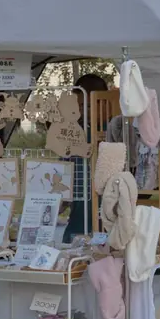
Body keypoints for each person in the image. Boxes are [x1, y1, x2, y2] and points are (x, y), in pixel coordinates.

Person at [62, 73, 108, 244]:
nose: (81, 111)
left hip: (106, 229)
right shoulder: (73, 135)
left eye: (84, 105)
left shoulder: (116, 133)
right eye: (78, 106)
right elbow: (63, 182)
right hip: (76, 229)